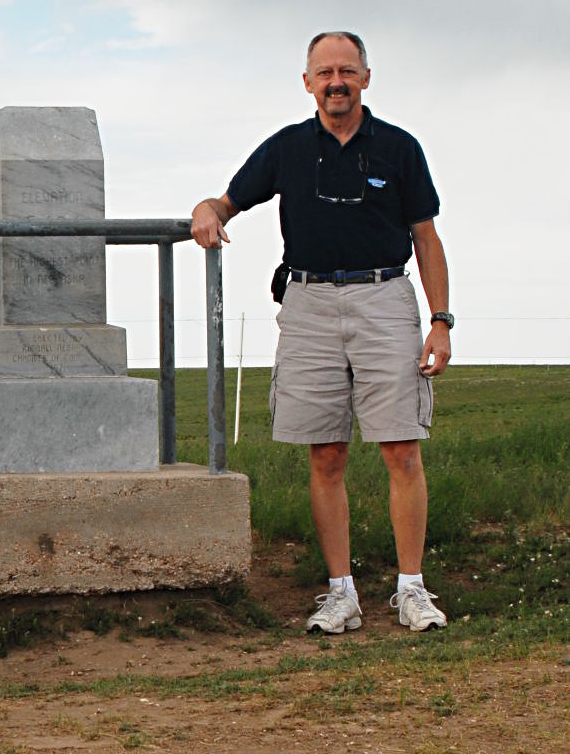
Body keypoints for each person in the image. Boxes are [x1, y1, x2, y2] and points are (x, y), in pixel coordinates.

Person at [191, 31, 453, 634]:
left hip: (385, 297)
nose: (336, 82)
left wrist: (440, 320)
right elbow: (224, 203)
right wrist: (206, 211)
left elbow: (427, 238)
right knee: (326, 453)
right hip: (307, 303)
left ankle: (412, 590)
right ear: (307, 82)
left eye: (347, 71)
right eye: (324, 72)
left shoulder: (399, 148)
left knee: (401, 449)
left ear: (366, 77)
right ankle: (341, 594)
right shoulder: (285, 148)